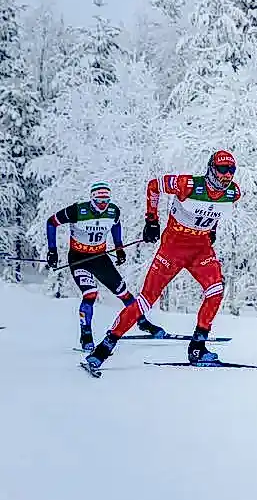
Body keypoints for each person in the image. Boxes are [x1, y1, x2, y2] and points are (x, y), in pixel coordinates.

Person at [82, 151, 241, 371]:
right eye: (222, 170)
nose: (227, 176)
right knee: (146, 300)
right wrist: (151, 220)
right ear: (211, 169)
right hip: (172, 249)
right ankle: (104, 348)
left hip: (201, 250)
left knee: (215, 292)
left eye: (231, 171)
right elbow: (154, 186)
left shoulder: (233, 193)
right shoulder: (187, 185)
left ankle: (197, 348)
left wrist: (211, 229)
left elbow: (216, 211)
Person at [46, 182, 159, 351]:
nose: (103, 204)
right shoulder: (77, 211)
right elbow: (51, 222)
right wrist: (52, 251)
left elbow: (116, 225)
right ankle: (86, 336)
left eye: (106, 200)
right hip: (79, 258)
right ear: (92, 199)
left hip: (100, 257)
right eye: (99, 201)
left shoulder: (113, 211)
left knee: (123, 292)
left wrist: (119, 248)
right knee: (90, 293)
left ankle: (142, 322)